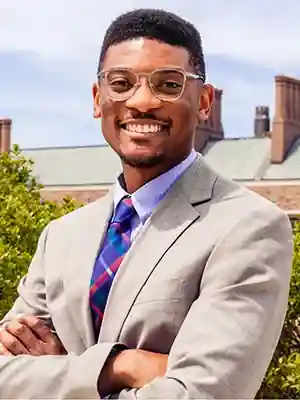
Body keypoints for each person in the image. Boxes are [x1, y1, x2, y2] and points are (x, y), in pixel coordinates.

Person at [0, 8, 294, 399]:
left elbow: (200, 394)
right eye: (120, 83)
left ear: (204, 101)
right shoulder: (61, 236)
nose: (141, 101)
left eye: (168, 85)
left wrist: (57, 372)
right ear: (97, 98)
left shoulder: (249, 227)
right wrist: (123, 366)